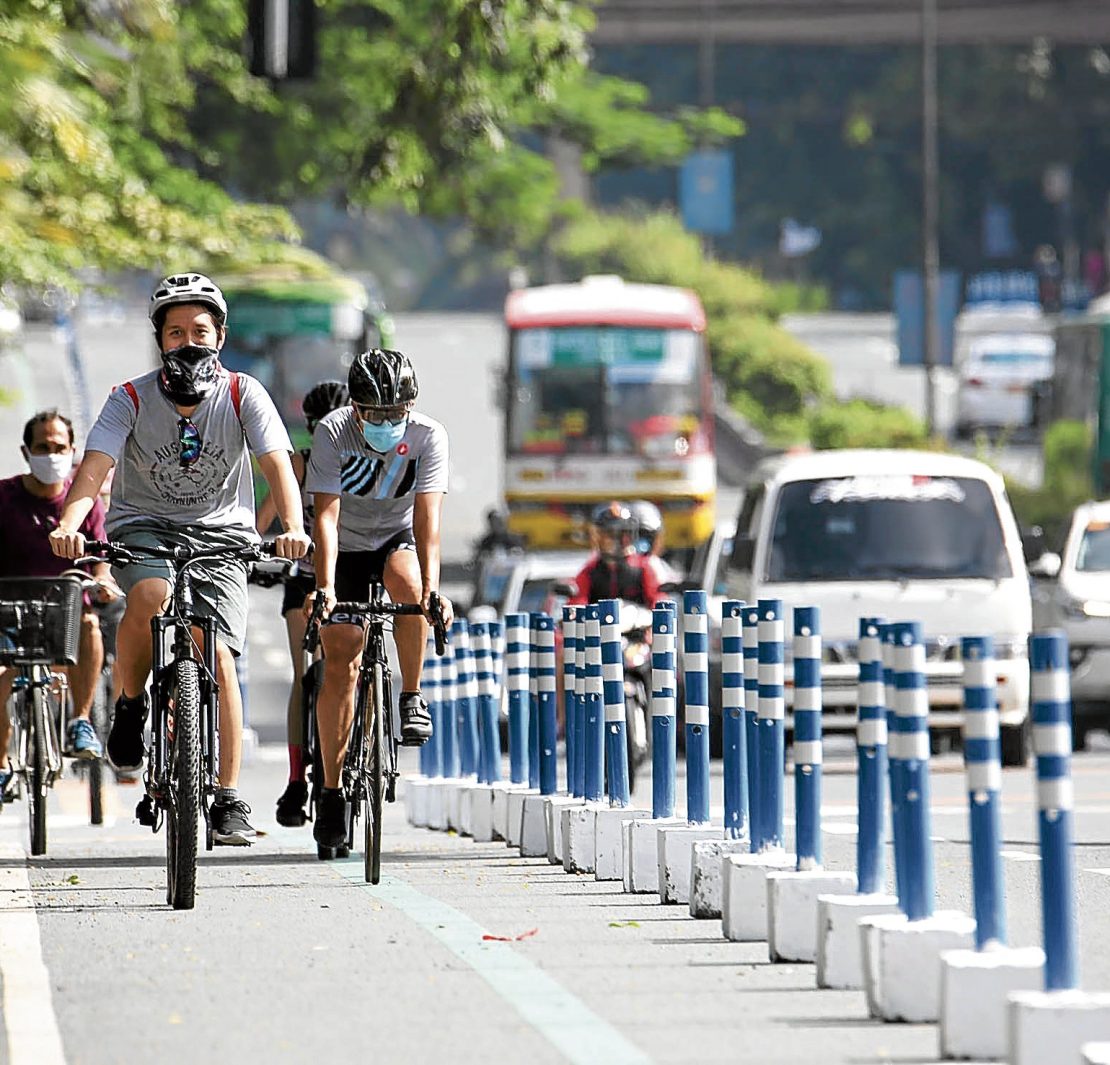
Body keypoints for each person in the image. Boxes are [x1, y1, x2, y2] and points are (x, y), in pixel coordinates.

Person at [49, 272, 311, 845]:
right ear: (159, 340)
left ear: (219, 337)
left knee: (217, 655)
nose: (187, 342)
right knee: (149, 595)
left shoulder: (244, 394)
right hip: (143, 529)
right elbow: (95, 467)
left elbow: (276, 466)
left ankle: (229, 797)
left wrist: (292, 528)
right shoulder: (130, 397)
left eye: (199, 330)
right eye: (174, 332)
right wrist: (71, 522)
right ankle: (129, 703)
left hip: (222, 537)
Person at [305, 347, 453, 852]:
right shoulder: (331, 432)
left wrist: (432, 590)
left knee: (410, 591)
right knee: (341, 653)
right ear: (355, 407)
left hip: (394, 539)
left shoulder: (429, 436)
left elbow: (427, 521)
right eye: (375, 414)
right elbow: (324, 516)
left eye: (396, 414)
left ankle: (410, 694)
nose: (387, 423)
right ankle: (329, 793)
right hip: (343, 547)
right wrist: (323, 586)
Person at [0, 410, 117, 799]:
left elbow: (100, 557)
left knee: (90, 626)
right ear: (26, 451)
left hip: (64, 616)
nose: (52, 455)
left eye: (59, 448)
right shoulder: (5, 497)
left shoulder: (83, 504)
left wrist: (102, 580)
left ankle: (80, 720)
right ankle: (1, 765)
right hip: (10, 617)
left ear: (72, 451)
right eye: (42, 448)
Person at [255, 379, 349, 828]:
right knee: (303, 673)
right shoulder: (297, 465)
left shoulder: (364, 465)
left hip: (351, 575)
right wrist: (258, 554)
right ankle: (296, 778)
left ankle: (358, 738)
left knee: (347, 668)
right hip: (305, 577)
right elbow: (261, 524)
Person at [568, 501, 662, 609]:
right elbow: (577, 602)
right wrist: (574, 612)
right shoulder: (590, 570)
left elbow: (658, 599)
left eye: (625, 533)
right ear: (598, 537)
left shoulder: (644, 567)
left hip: (638, 623)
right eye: (611, 534)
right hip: (598, 623)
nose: (620, 540)